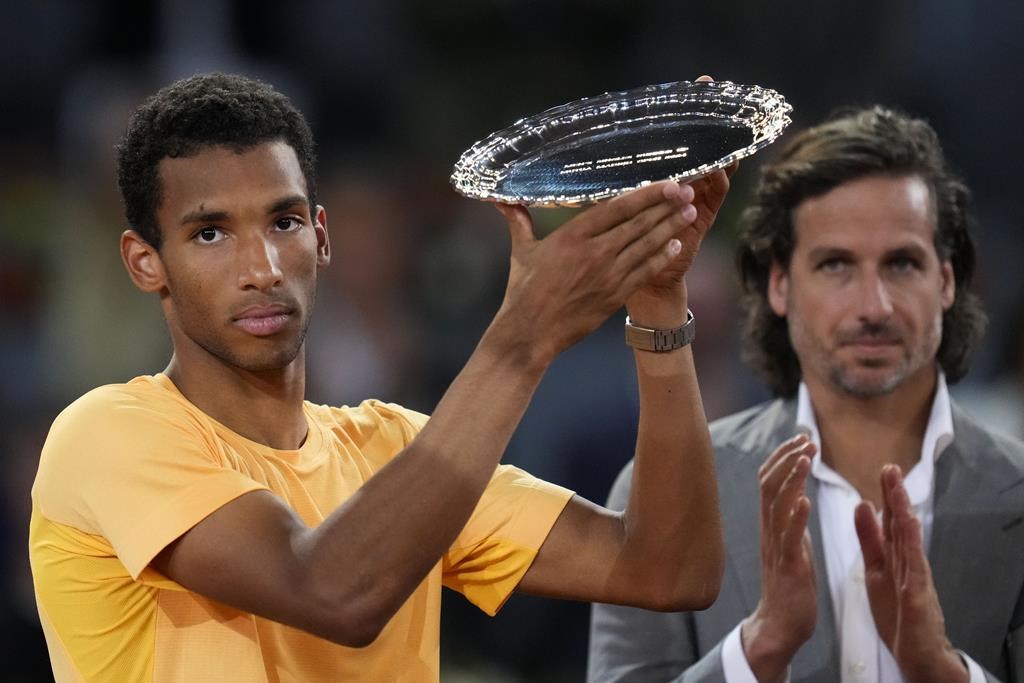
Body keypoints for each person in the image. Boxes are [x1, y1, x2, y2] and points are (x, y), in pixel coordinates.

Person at [29, 72, 730, 682]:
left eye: (284, 222)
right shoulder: (105, 435)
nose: (263, 268)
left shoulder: (393, 448)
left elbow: (670, 569)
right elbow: (333, 591)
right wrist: (522, 339)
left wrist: (660, 299)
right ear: (144, 261)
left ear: (322, 236)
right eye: (210, 233)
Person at [588, 106, 1024, 682]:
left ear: (946, 281)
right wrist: (757, 652)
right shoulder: (665, 487)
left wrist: (945, 672)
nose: (874, 306)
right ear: (779, 284)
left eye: (901, 263)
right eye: (836, 264)